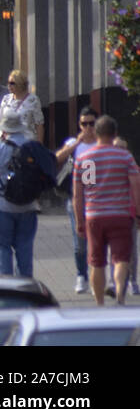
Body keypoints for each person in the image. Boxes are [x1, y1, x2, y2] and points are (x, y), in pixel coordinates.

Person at [73, 115, 140, 306]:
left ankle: (100, 302)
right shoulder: (125, 157)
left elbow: (80, 193)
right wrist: (138, 213)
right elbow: (136, 184)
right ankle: (120, 296)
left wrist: (79, 220)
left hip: (94, 216)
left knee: (96, 261)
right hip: (120, 215)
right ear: (115, 134)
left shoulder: (85, 159)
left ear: (95, 132)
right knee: (121, 259)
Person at [0, 112, 40, 277]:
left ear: (4, 130)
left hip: (1, 205)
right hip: (28, 205)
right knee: (25, 248)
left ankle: (6, 289)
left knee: (2, 246)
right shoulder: (33, 147)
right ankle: (26, 289)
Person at [56, 106, 98, 294]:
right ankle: (81, 275)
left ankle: (100, 274)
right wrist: (75, 144)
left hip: (99, 199)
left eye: (91, 123)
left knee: (98, 240)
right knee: (79, 241)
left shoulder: (103, 143)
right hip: (77, 199)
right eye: (84, 124)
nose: (87, 127)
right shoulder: (75, 142)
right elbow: (57, 158)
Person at [0, 69, 43, 143]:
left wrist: (39, 145)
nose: (9, 86)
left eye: (12, 83)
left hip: (25, 142)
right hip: (6, 141)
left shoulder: (33, 100)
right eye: (8, 83)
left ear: (20, 83)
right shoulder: (6, 99)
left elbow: (39, 124)